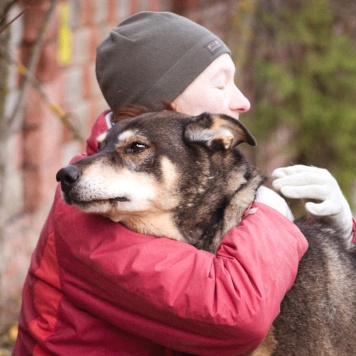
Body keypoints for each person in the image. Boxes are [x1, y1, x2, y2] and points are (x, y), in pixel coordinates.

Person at [13, 11, 355, 356]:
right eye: (221, 84)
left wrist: (343, 232)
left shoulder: (165, 187)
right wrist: (272, 214)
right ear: (166, 107)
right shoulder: (96, 213)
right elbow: (234, 314)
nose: (243, 101)